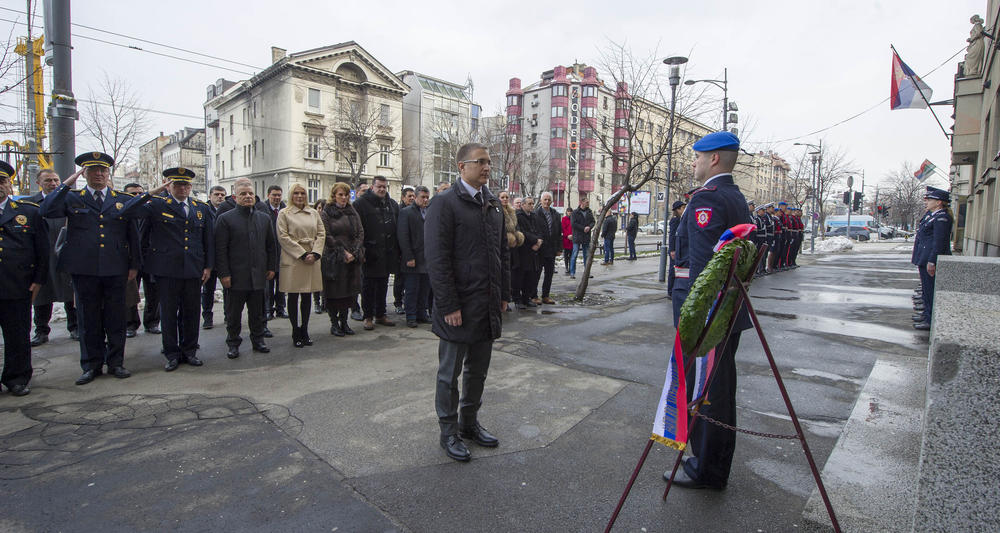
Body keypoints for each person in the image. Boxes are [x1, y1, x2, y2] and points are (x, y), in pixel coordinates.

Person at [666, 131, 752, 490]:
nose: (694, 163)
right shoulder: (734, 197)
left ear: (713, 159)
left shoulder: (709, 201)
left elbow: (703, 270)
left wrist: (698, 322)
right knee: (720, 389)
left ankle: (704, 468)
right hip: (727, 311)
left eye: (698, 157)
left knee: (706, 392)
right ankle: (713, 465)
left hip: (708, 315)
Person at [425, 142, 510, 462]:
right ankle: (448, 431)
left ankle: (469, 423)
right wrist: (448, 306)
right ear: (462, 166)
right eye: (481, 162)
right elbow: (437, 260)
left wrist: (504, 295)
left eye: (489, 162)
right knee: (449, 374)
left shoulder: (493, 204)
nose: (488, 167)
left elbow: (502, 255)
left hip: (486, 304)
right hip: (457, 307)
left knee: (478, 371)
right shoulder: (444, 203)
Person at [40, 151, 138, 385]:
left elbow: (131, 235)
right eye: (93, 170)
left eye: (103, 170)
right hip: (84, 269)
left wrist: (134, 264)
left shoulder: (121, 199)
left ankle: (116, 363)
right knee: (88, 319)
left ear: (108, 173)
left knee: (115, 318)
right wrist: (65, 184)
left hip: (115, 268)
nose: (99, 174)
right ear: (84, 173)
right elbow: (46, 210)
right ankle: (91, 365)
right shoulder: (72, 197)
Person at [121, 168, 215, 371]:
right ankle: (171, 353)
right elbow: (127, 211)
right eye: (177, 184)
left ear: (190, 187)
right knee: (169, 313)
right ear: (169, 186)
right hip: (167, 270)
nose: (182, 188)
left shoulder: (201, 208)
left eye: (186, 185)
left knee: (191, 312)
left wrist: (208, 266)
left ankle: (190, 350)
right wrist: (152, 192)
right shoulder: (156, 205)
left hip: (193, 268)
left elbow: (208, 239)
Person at [0, 161, 47, 396]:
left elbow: (42, 250)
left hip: (16, 285)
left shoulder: (28, 211)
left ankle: (17, 377)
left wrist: (38, 280)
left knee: (18, 335)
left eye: (2, 181)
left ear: (9, 184)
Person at [215, 178, 276, 359]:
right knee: (234, 315)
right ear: (235, 197)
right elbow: (220, 249)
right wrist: (224, 274)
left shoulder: (264, 218)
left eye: (250, 193)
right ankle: (233, 343)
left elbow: (271, 246)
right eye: (243, 194)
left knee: (257, 313)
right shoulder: (225, 219)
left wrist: (271, 267)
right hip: (236, 276)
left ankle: (258, 341)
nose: (248, 197)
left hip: (258, 276)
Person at [27, 168, 77, 346]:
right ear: (38, 183)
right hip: (42, 256)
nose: (53, 184)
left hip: (65, 254)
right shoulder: (31, 204)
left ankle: (74, 326)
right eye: (48, 181)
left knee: (69, 292)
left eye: (56, 180)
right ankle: (41, 330)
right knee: (42, 293)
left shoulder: (69, 200)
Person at [276, 183, 325, 347]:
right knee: (293, 295)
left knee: (307, 295)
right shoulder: (284, 213)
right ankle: (295, 330)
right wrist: (302, 254)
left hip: (312, 257)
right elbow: (283, 237)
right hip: (294, 258)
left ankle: (304, 328)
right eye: (296, 193)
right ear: (291, 195)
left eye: (302, 193)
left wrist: (315, 253)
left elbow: (321, 233)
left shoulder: (313, 213)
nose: (299, 196)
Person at [353, 175, 400, 331]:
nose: (382, 189)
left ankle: (381, 314)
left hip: (387, 252)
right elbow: (356, 230)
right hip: (369, 252)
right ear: (372, 187)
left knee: (383, 284)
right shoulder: (360, 204)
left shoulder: (391, 204)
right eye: (379, 186)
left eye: (384, 187)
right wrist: (361, 251)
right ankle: (368, 316)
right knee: (368, 286)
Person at [320, 182, 363, 336]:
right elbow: (327, 234)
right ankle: (334, 323)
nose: (343, 198)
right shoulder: (326, 212)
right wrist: (343, 252)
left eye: (345, 195)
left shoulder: (352, 211)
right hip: (334, 258)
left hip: (352, 258)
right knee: (334, 293)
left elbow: (360, 233)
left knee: (348, 292)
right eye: (340, 195)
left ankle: (344, 322)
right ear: (334, 195)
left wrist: (354, 252)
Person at [911, 187, 953, 331]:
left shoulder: (942, 218)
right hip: (924, 257)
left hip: (930, 258)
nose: (927, 202)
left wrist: (932, 260)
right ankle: (926, 315)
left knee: (930, 291)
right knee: (926, 290)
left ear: (939, 202)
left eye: (930, 200)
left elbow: (938, 242)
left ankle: (929, 319)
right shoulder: (933, 215)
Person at [122, 182, 160, 339]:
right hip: (129, 259)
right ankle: (130, 324)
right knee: (130, 292)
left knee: (153, 293)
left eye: (140, 193)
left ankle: (152, 322)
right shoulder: (123, 211)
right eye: (133, 194)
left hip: (149, 257)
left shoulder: (149, 211)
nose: (137, 196)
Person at [397, 186, 431, 327]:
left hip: (427, 258)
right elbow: (403, 236)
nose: (425, 200)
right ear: (416, 197)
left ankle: (422, 314)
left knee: (424, 289)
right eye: (422, 197)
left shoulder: (429, 212)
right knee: (412, 289)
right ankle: (411, 316)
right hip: (413, 258)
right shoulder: (406, 213)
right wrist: (408, 256)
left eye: (427, 197)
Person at [201, 185, 227, 329]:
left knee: (228, 290)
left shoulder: (228, 210)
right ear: (210, 196)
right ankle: (207, 318)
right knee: (208, 291)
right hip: (209, 258)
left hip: (224, 258)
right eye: (216, 194)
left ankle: (228, 316)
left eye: (222, 195)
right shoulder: (204, 211)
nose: (220, 197)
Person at [263, 185, 287, 321]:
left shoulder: (285, 210)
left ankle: (280, 308)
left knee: (282, 284)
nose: (277, 198)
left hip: (283, 252)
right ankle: (268, 310)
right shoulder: (262, 209)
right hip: (269, 253)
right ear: (268, 196)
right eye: (274, 195)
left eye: (279, 195)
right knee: (268, 285)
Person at [514, 196, 542, 309]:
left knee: (530, 277)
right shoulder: (518, 216)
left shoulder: (534, 216)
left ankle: (527, 298)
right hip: (523, 250)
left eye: (532, 203)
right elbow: (522, 232)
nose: (531, 206)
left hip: (534, 251)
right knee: (519, 277)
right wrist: (535, 241)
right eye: (529, 204)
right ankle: (517, 300)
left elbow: (540, 230)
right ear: (523, 205)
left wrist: (539, 242)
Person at [499, 191, 524, 312]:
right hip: (501, 246)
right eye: (502, 197)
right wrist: (508, 238)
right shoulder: (496, 211)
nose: (505, 199)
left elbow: (516, 227)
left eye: (506, 197)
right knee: (502, 274)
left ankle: (510, 298)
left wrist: (517, 237)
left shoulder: (512, 211)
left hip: (513, 247)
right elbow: (498, 229)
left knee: (511, 274)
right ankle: (503, 300)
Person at [393, 186, 417, 315]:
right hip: (401, 252)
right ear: (403, 198)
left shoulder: (416, 211)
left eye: (413, 196)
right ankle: (398, 302)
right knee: (399, 279)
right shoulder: (399, 211)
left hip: (413, 251)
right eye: (409, 196)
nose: (412, 198)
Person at [535, 192, 562, 304]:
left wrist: (559, 248)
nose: (547, 202)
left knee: (549, 273)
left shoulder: (555, 214)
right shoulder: (536, 214)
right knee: (536, 273)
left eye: (549, 200)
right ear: (541, 201)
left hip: (551, 249)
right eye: (545, 199)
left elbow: (559, 232)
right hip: (540, 248)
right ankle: (534, 295)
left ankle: (545, 295)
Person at [569, 196, 595, 279]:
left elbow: (593, 222)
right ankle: (572, 273)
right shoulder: (575, 212)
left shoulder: (589, 212)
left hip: (586, 236)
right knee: (574, 254)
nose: (588, 203)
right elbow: (573, 224)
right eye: (586, 202)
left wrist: (589, 227)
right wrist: (583, 228)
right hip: (577, 236)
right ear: (582, 202)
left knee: (586, 255)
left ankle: (587, 272)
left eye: (588, 202)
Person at [311, 198, 328, 315]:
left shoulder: (328, 221)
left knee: (325, 279)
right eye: (319, 208)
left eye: (323, 208)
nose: (321, 211)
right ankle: (316, 302)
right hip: (316, 253)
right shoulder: (311, 221)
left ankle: (324, 302)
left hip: (327, 254)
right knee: (316, 279)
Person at [667, 200, 686, 297]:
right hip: (674, 250)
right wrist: (672, 250)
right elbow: (672, 236)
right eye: (683, 208)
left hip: (677, 249)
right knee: (672, 270)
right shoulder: (675, 220)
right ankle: (670, 291)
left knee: (676, 269)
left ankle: (673, 290)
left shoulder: (681, 219)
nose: (684, 209)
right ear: (677, 209)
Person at [561, 207, 574, 273]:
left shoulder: (573, 219)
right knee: (566, 255)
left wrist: (572, 235)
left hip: (572, 239)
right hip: (566, 239)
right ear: (566, 212)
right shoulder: (564, 219)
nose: (569, 213)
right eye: (568, 212)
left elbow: (574, 228)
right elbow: (563, 228)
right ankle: (566, 267)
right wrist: (567, 235)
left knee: (572, 255)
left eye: (570, 212)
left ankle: (571, 267)